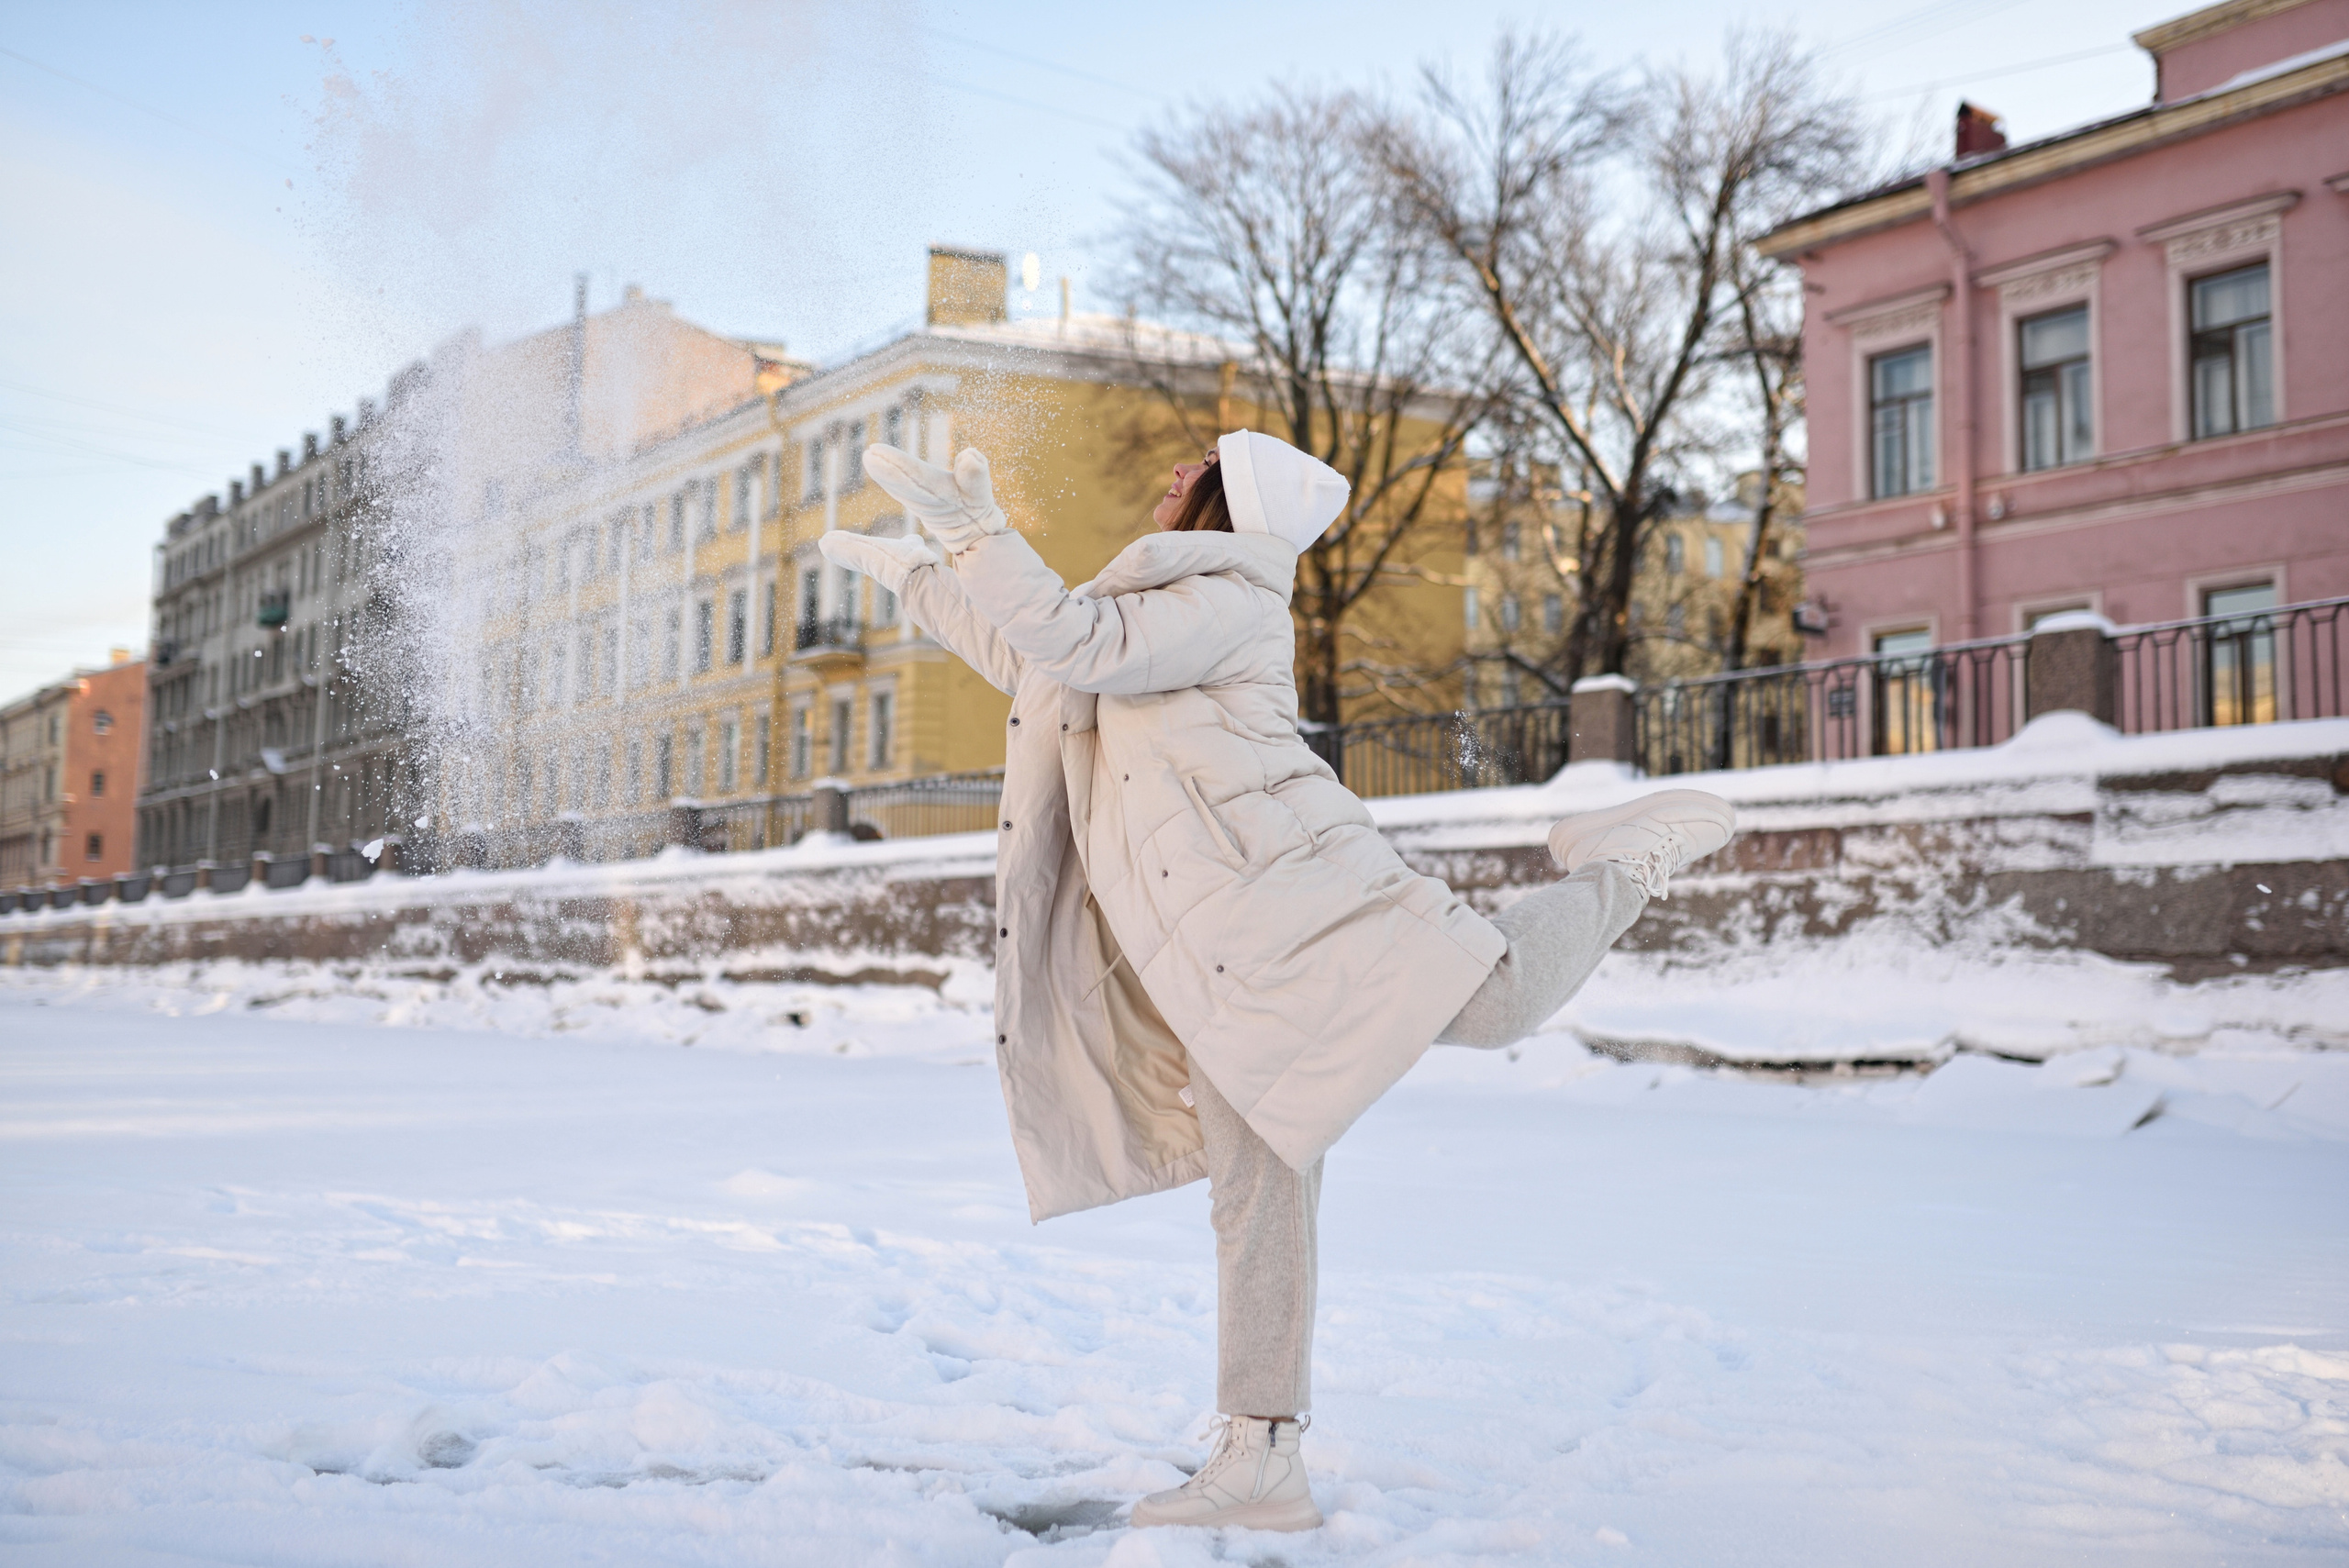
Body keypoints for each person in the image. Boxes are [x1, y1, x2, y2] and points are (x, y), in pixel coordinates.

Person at [818, 431, 1734, 1533]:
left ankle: (1625, 860)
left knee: (1494, 1004)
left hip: (1299, 900)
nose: (1164, 478)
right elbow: (1036, 657)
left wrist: (980, 535)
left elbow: (1078, 639)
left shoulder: (1233, 598)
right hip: (1217, 954)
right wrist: (923, 572)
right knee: (1255, 1191)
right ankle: (1260, 1457)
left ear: (1227, 501)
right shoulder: (1152, 607)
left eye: (1188, 469)